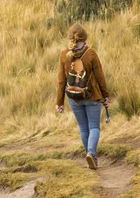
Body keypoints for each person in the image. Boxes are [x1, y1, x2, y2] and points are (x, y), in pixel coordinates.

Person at [56, 23, 110, 170]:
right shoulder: (91, 53)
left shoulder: (63, 55)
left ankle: (90, 156)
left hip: (74, 99)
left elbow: (61, 81)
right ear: (84, 37)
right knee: (94, 127)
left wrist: (59, 102)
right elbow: (100, 78)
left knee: (83, 129)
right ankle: (91, 154)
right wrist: (105, 96)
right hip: (92, 96)